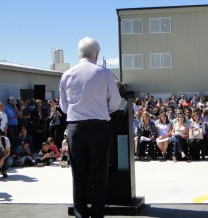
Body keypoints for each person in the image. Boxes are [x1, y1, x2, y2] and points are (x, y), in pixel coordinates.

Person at [59, 37, 121, 218]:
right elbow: (115, 103)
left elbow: (64, 107)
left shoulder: (67, 74)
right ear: (97, 54)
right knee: (99, 174)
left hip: (75, 128)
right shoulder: (105, 73)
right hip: (98, 127)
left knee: (78, 174)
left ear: (79, 53)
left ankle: (80, 214)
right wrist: (102, 110)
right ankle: (97, 213)